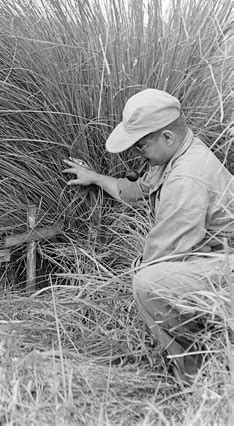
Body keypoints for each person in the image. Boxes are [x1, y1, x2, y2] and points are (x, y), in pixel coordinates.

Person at [62, 88, 233, 386]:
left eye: (141, 145)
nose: (137, 153)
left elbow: (163, 257)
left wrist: (127, 279)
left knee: (150, 283)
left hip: (226, 269)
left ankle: (200, 378)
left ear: (167, 137)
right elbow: (138, 190)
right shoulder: (173, 156)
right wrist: (96, 178)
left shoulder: (186, 179)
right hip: (215, 258)